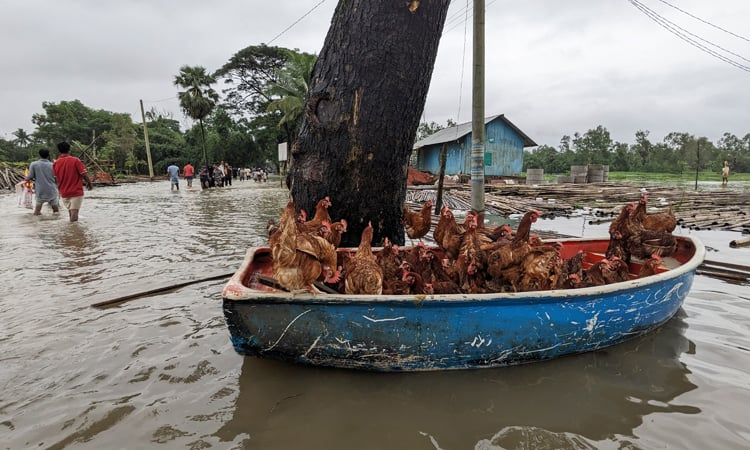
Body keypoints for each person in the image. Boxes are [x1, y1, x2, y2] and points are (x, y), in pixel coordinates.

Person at [53, 141, 93, 222]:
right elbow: (84, 174)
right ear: (69, 150)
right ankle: (73, 231)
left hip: (64, 192)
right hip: (76, 191)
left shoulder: (56, 163)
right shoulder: (75, 160)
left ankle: (70, 232)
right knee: (74, 214)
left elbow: (56, 179)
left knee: (71, 213)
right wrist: (89, 183)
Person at [25, 148, 60, 215]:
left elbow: (30, 177)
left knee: (37, 211)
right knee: (56, 211)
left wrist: (25, 179)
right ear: (48, 155)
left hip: (40, 190)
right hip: (52, 190)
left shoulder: (34, 164)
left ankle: (38, 223)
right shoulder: (53, 165)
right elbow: (56, 178)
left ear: (39, 155)